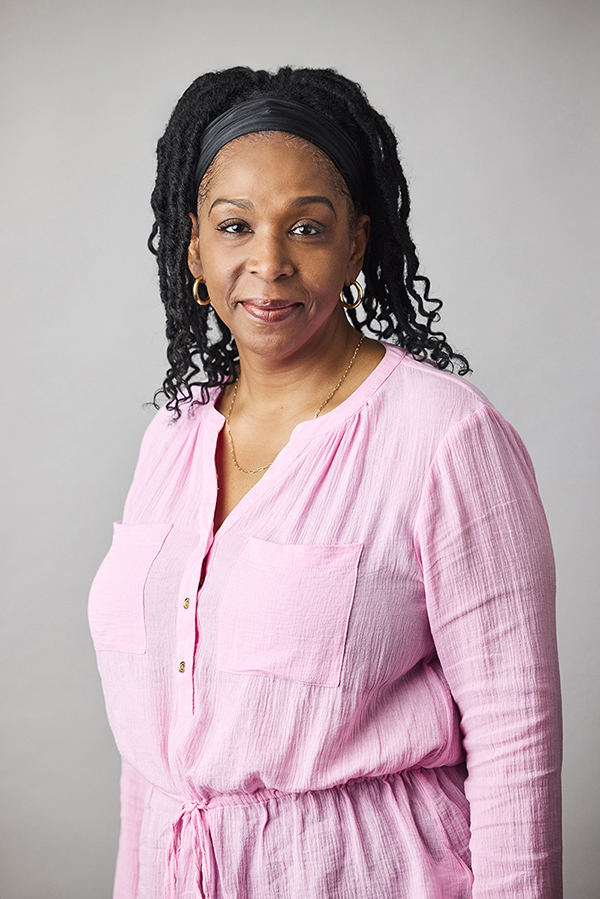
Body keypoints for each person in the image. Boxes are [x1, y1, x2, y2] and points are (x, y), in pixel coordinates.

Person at [88, 66, 562, 899]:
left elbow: (515, 732)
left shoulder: (442, 435)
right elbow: (153, 754)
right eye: (235, 226)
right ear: (195, 247)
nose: (268, 263)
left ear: (356, 244)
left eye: (306, 227)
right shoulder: (172, 435)